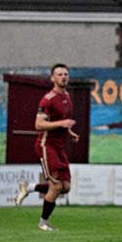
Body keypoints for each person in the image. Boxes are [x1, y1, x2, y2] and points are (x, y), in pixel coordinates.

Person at [14, 64, 79, 231]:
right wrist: (62, 123)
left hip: (59, 147)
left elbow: (63, 123)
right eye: (59, 74)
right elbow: (39, 124)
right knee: (56, 186)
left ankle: (28, 187)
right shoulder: (48, 99)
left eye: (66, 74)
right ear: (53, 78)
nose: (63, 76)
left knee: (65, 187)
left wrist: (69, 131)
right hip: (46, 145)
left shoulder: (67, 97)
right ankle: (43, 222)